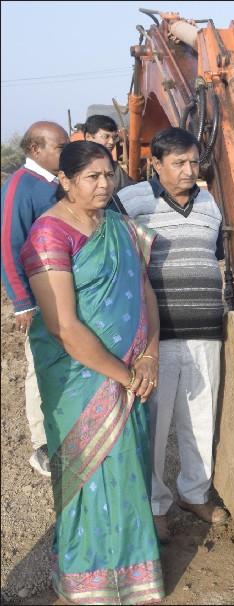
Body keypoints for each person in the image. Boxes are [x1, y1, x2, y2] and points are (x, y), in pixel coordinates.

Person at [20, 140, 164, 604]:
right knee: (89, 474)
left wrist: (149, 355)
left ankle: (134, 574)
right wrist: (123, 375)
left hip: (133, 372)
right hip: (79, 378)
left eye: (109, 175)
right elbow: (63, 326)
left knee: (129, 468)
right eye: (92, 177)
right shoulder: (48, 234)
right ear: (65, 180)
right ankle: (87, 578)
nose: (104, 184)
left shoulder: (122, 227)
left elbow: (144, 291)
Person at [119, 127, 228, 544]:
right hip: (155, 337)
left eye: (194, 161)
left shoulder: (210, 203)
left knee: (200, 418)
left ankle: (194, 493)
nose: (189, 170)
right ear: (156, 164)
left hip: (205, 330)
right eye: (179, 162)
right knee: (154, 423)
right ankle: (154, 505)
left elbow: (214, 256)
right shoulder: (132, 201)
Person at [1, 121, 69, 477]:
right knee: (40, 366)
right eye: (60, 147)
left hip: (67, 293)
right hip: (41, 298)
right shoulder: (20, 185)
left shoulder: (57, 184)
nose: (65, 152)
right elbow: (8, 243)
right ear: (35, 150)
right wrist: (22, 301)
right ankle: (42, 444)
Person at [82, 114, 135, 193]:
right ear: (88, 137)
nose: (111, 142)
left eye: (114, 138)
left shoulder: (115, 168)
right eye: (106, 136)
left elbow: (130, 190)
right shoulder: (77, 165)